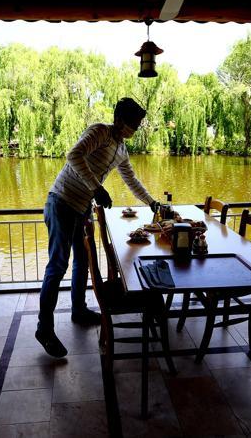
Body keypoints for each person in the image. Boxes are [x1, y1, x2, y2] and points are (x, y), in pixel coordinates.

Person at [36, 97, 161, 358]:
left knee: (82, 261)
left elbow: (131, 180)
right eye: (133, 123)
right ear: (119, 119)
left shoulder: (121, 149)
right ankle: (44, 328)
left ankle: (79, 309)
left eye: (138, 124)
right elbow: (74, 155)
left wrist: (151, 202)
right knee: (57, 265)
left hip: (81, 208)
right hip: (61, 202)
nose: (135, 129)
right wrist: (97, 188)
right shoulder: (100, 132)